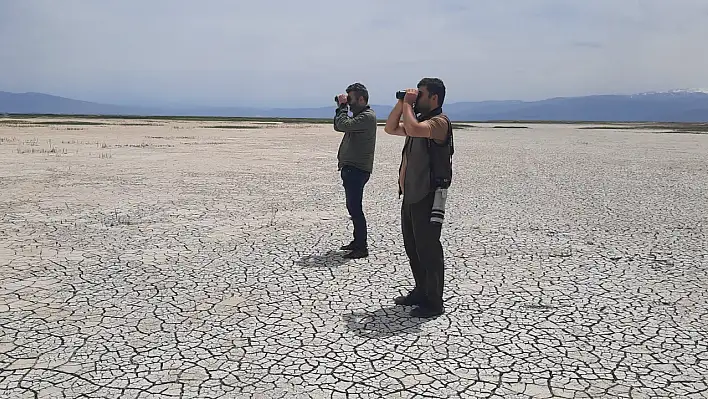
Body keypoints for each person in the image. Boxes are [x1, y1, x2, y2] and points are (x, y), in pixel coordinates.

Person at [384, 77, 454, 318]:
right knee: (413, 247)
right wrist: (403, 102)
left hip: (428, 195)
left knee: (429, 249)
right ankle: (421, 290)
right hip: (412, 194)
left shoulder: (439, 123)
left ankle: (434, 302)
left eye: (420, 95)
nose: (417, 99)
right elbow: (390, 128)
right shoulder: (421, 121)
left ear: (434, 98)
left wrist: (408, 105)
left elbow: (412, 128)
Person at [333, 82, 377, 259]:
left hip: (357, 170)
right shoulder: (359, 117)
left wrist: (342, 107)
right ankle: (357, 241)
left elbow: (342, 125)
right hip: (353, 169)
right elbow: (341, 125)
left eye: (351, 99)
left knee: (355, 208)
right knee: (353, 207)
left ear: (361, 98)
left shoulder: (367, 116)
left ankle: (361, 247)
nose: (349, 103)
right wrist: (343, 108)